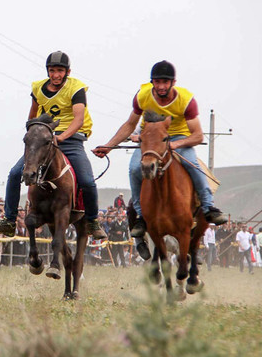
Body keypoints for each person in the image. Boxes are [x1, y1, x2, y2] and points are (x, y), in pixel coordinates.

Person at [93, 60, 227, 237]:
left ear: (173, 83)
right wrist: (109, 146)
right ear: (152, 82)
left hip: (178, 137)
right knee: (134, 168)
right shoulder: (142, 96)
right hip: (151, 139)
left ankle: (209, 206)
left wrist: (174, 144)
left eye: (165, 82)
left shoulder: (186, 100)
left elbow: (198, 136)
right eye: (157, 82)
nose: (161, 86)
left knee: (193, 165)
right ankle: (141, 216)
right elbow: (129, 125)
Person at [0, 51, 106, 239]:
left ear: (68, 71)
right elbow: (32, 117)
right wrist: (34, 136)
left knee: (87, 180)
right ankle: (9, 221)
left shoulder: (76, 88)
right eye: (52, 70)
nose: (56, 75)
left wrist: (61, 137)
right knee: (15, 173)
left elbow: (79, 119)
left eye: (60, 71)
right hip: (43, 141)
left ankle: (92, 221)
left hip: (70, 140)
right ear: (47, 71)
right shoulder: (38, 89)